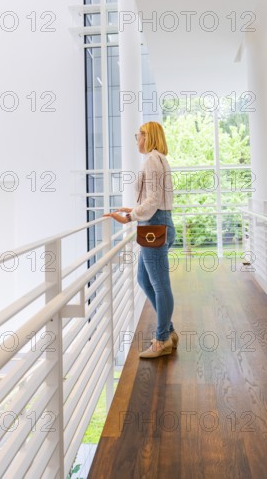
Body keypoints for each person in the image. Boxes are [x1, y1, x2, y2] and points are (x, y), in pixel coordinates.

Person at [103, 121, 178, 358]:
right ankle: (169, 332)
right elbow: (153, 198)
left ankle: (162, 340)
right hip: (156, 223)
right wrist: (134, 209)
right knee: (144, 280)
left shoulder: (152, 160)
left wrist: (129, 217)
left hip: (154, 225)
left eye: (139, 135)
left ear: (148, 136)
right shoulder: (158, 160)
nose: (137, 139)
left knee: (159, 285)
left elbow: (154, 199)